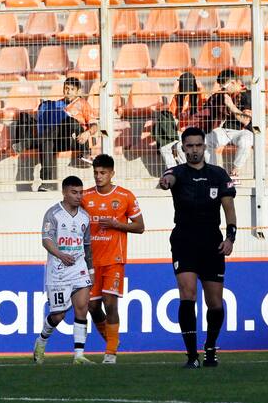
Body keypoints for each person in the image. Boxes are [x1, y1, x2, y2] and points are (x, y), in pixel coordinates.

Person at [159, 126, 237, 368]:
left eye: (198, 145)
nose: (194, 150)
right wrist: (165, 181)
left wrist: (230, 238)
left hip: (212, 243)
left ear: (205, 146)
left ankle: (211, 349)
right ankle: (192, 355)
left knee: (214, 302)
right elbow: (168, 178)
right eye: (189, 146)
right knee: (188, 294)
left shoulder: (218, 175)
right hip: (184, 242)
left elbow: (229, 209)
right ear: (183, 148)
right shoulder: (178, 172)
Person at [81, 154, 145, 364]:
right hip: (89, 262)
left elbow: (139, 227)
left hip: (114, 260)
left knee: (110, 304)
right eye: (96, 173)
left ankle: (110, 354)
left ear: (112, 174)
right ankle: (112, 340)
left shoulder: (125, 196)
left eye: (103, 173)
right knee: (91, 307)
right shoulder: (85, 197)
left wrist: (117, 224)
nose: (98, 177)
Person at [33, 175, 95, 365]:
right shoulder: (53, 214)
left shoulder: (85, 216)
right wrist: (60, 255)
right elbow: (46, 240)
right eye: (74, 192)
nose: (78, 196)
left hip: (79, 268)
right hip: (58, 271)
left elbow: (86, 245)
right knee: (58, 315)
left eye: (81, 192)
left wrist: (90, 269)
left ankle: (78, 355)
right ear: (64, 192)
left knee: (82, 308)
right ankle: (41, 341)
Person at [37, 78, 98, 192]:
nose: (68, 91)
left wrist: (87, 133)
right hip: (59, 139)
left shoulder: (83, 104)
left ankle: (84, 153)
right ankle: (47, 183)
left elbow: (95, 126)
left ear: (78, 91)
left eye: (72, 89)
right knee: (46, 143)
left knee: (71, 121)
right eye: (66, 89)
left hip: (76, 140)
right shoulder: (57, 105)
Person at [204, 69, 253, 178]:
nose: (223, 89)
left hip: (243, 131)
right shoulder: (222, 95)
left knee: (246, 141)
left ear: (233, 83)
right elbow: (207, 111)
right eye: (221, 87)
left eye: (224, 87)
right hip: (225, 131)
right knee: (204, 140)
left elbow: (246, 121)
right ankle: (213, 172)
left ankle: (235, 170)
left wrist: (231, 105)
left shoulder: (247, 94)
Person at [153, 72, 203, 169]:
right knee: (164, 148)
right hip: (180, 132)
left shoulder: (199, 95)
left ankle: (187, 172)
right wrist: (174, 90)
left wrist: (200, 88)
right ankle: (174, 172)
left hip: (194, 132)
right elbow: (168, 112)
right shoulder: (178, 97)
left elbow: (205, 109)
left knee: (180, 146)